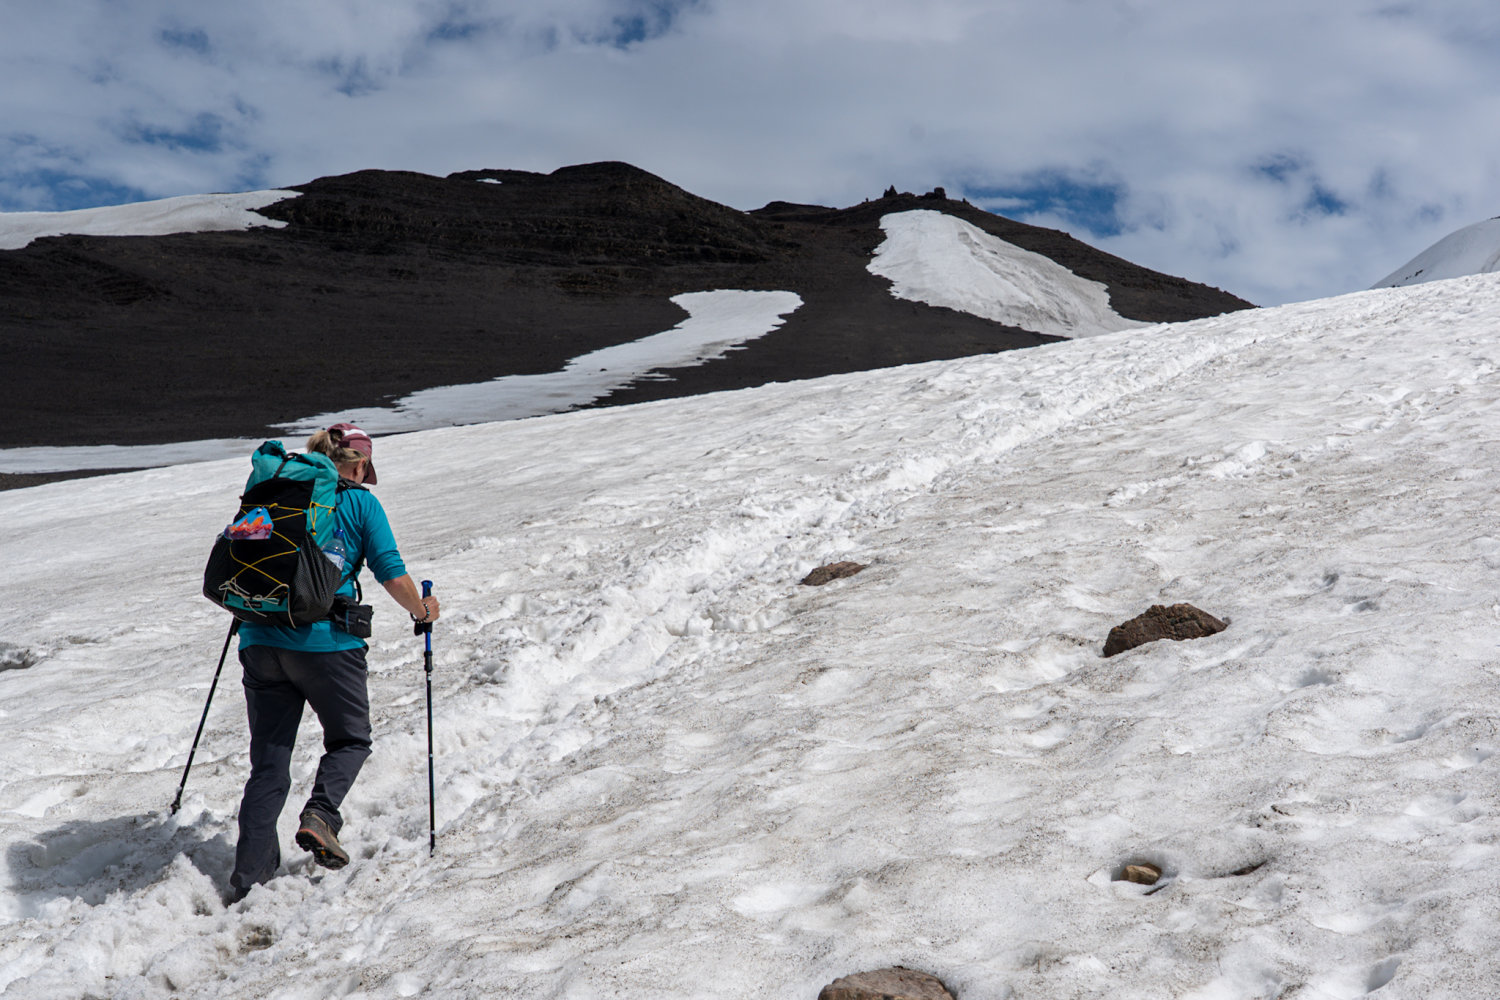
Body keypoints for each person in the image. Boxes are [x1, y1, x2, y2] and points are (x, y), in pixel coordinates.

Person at [228, 422, 440, 902]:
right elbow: (390, 571)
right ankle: (321, 817)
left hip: (259, 640)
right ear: (360, 463)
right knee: (350, 740)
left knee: (268, 765)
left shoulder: (277, 492)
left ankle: (248, 882)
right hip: (327, 645)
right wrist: (423, 610)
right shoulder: (362, 503)